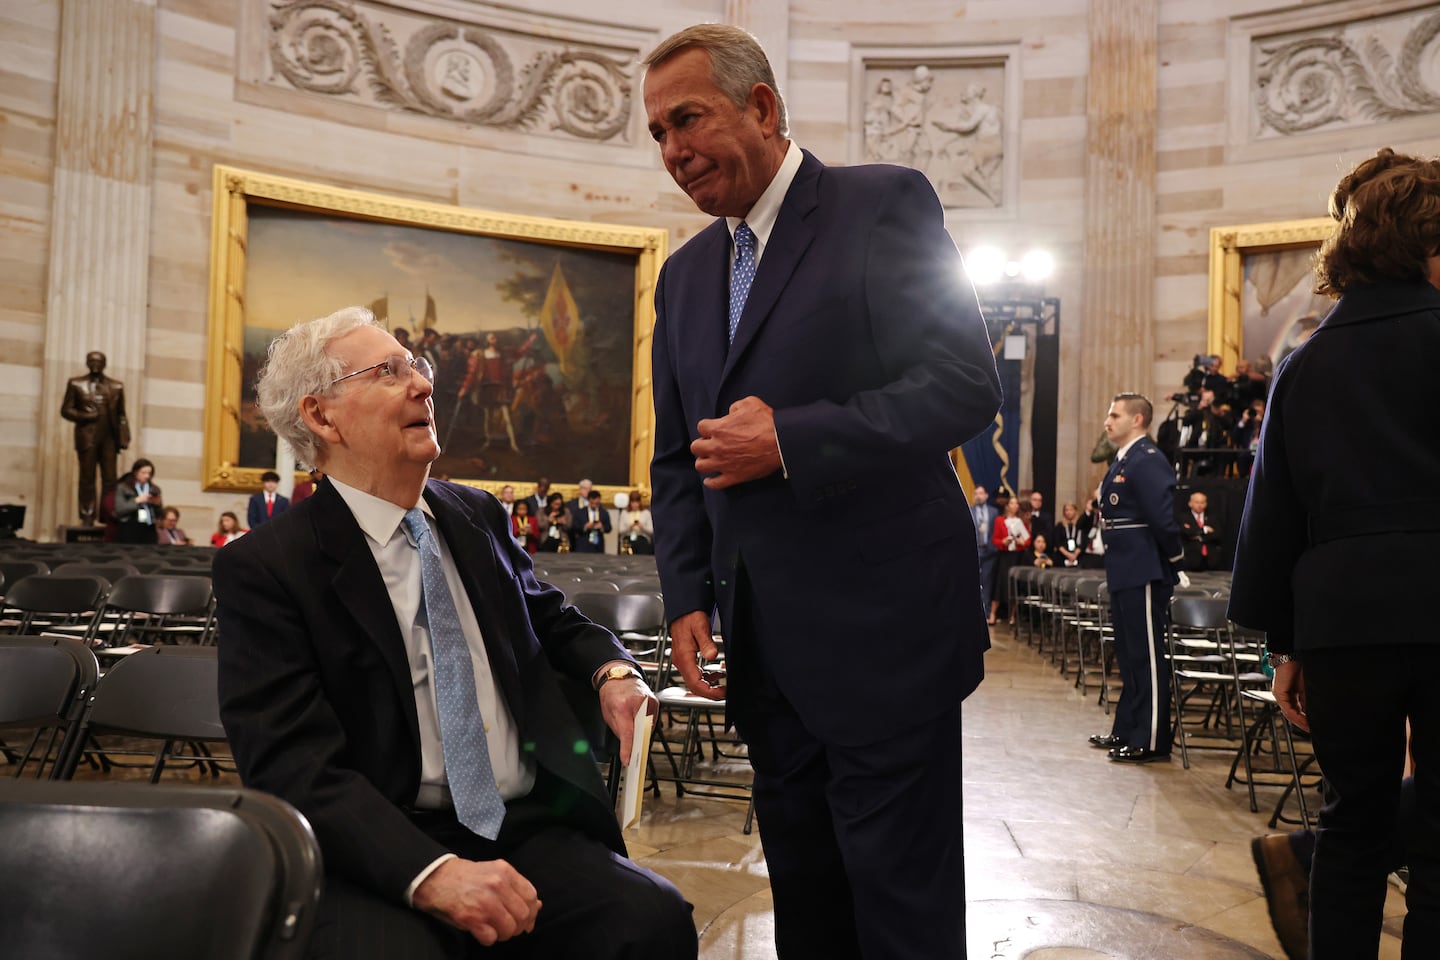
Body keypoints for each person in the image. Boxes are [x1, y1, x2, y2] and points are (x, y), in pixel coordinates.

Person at [644, 24, 1001, 960]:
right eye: (658, 134)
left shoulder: (880, 204)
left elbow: (963, 385)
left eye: (689, 120)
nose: (674, 151)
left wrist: (793, 438)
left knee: (900, 908)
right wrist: (685, 592)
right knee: (806, 897)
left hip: (887, 633)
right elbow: (678, 460)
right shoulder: (682, 278)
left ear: (761, 107)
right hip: (763, 651)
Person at [213, 307, 696, 960]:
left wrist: (612, 671)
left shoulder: (476, 515)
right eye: (388, 371)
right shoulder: (267, 567)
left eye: (417, 366)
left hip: (521, 824)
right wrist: (430, 872)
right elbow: (292, 764)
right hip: (383, 840)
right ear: (322, 417)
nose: (421, 385)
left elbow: (552, 619)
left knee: (651, 920)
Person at [1228, 147, 1440, 960]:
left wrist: (1285, 644)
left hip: (1342, 615)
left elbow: (1272, 511)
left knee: (1354, 820)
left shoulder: (1305, 361)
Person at [1088, 393, 1184, 764]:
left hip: (1144, 567)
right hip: (1126, 566)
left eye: (1115, 415)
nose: (1107, 421)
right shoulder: (1124, 459)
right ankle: (1127, 729)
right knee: (1129, 656)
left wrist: (1175, 559)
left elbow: (1162, 518)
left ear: (1138, 419)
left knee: (1145, 656)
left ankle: (1152, 739)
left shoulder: (1147, 459)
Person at [60, 350, 130, 526]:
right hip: (87, 437)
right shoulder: (76, 384)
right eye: (92, 361)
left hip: (109, 438)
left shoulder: (116, 386)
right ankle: (87, 515)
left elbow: (121, 415)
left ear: (105, 364)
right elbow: (66, 410)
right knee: (87, 478)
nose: (95, 365)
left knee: (110, 479)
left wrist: (124, 437)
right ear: (87, 363)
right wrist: (85, 416)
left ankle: (107, 515)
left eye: (99, 361)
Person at [991, 498, 1030, 626]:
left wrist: (1021, 543)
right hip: (1005, 555)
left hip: (1017, 556)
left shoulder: (1022, 522)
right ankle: (993, 614)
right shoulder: (1000, 520)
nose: (1015, 506)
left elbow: (1027, 540)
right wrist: (1002, 542)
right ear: (1007, 506)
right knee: (1000, 583)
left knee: (1014, 585)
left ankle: (1012, 615)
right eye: (1012, 503)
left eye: (1017, 503)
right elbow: (995, 539)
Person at [113, 458, 163, 545]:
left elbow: (160, 513)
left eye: (149, 473)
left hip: (149, 526)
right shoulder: (124, 487)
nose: (147, 476)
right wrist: (137, 501)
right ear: (136, 473)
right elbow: (119, 509)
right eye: (143, 473)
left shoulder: (154, 489)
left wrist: (157, 504)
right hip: (130, 526)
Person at [972, 485, 999, 623]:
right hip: (974, 551)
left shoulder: (994, 512)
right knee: (973, 582)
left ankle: (986, 612)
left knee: (987, 582)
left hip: (989, 551)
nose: (978, 496)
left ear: (986, 496)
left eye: (981, 493)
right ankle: (972, 612)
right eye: (976, 493)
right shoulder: (969, 510)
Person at [1178, 491, 1222, 572]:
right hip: (1191, 561)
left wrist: (1198, 536)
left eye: (1202, 502)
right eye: (1197, 502)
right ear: (1190, 503)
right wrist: (1204, 530)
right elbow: (1186, 533)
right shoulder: (1183, 518)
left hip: (1211, 563)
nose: (1199, 505)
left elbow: (1217, 534)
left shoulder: (1212, 518)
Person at [570, 490, 611, 554]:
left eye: (596, 503)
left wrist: (602, 527)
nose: (594, 505)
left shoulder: (604, 513)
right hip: (583, 544)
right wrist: (585, 527)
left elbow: (609, 528)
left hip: (598, 545)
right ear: (588, 500)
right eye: (592, 503)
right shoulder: (580, 512)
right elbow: (574, 527)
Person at [619, 490, 654, 555]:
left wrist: (642, 527)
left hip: (642, 538)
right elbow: (620, 531)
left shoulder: (646, 513)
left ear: (640, 502)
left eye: (637, 502)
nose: (634, 504)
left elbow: (651, 531)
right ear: (630, 502)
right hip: (628, 538)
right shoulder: (625, 513)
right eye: (632, 502)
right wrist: (630, 527)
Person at [564, 480, 593, 552]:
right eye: (585, 489)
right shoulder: (571, 505)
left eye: (590, 489)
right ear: (580, 489)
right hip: (573, 538)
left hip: (589, 539)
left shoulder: (595, 505)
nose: (588, 491)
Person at [1053, 502, 1083, 568]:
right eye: (1067, 510)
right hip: (1062, 555)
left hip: (1077, 555)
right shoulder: (1060, 525)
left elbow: (1083, 541)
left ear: (1075, 511)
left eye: (1071, 510)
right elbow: (1057, 542)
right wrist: (1068, 554)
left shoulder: (1080, 525)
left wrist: (1075, 554)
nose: (1069, 512)